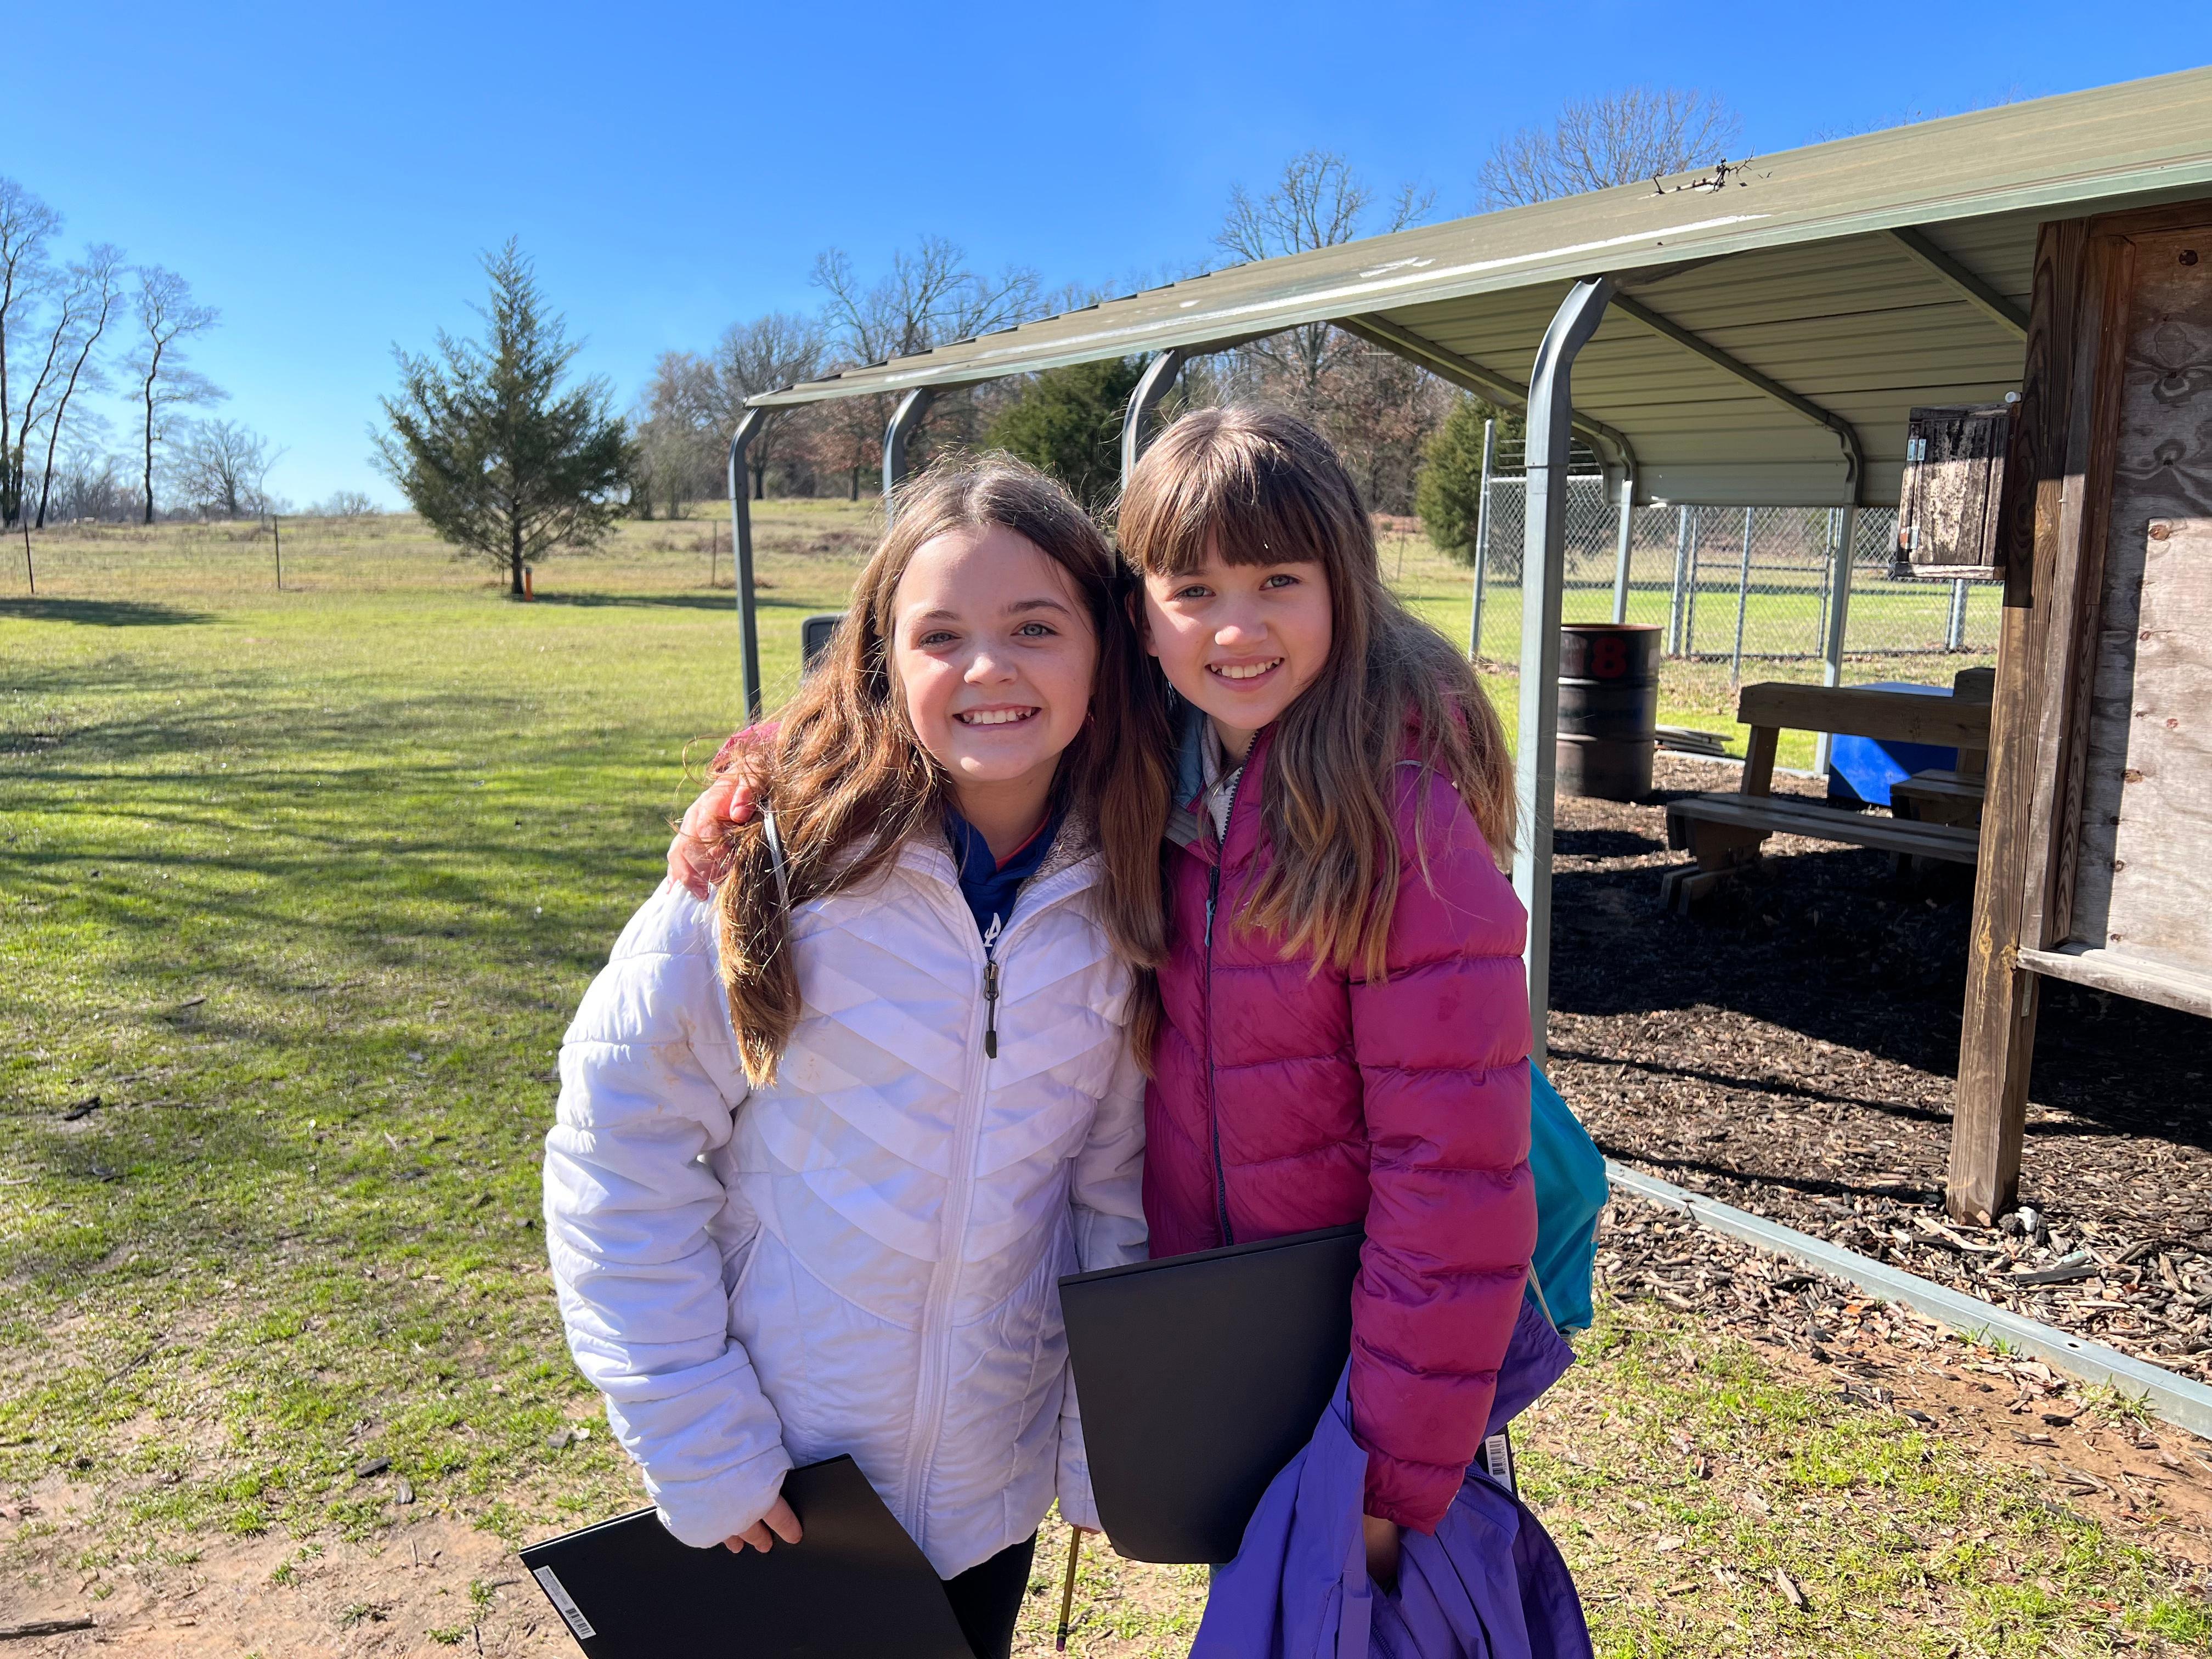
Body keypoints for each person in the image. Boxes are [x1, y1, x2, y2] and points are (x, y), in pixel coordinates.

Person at [673, 408, 1542, 1594]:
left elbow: (1454, 1186)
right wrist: (767, 772)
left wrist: (1386, 1479)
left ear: (1345, 582)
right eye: (1194, 590)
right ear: (1141, 618)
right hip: (1236, 1352)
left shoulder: (1404, 824)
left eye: (1279, 582)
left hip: (1373, 1381)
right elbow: (953, 680)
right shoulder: (1157, 758)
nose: (1236, 628)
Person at [545, 454, 1166, 1659]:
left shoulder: (1129, 890)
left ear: (1105, 648)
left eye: (1036, 627)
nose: (989, 668)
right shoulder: (771, 867)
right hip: (782, 1492)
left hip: (989, 1494)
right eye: (942, 636)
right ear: (883, 657)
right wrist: (699, 1436)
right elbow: (617, 1152)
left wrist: (1100, 1439)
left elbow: (1112, 1198)